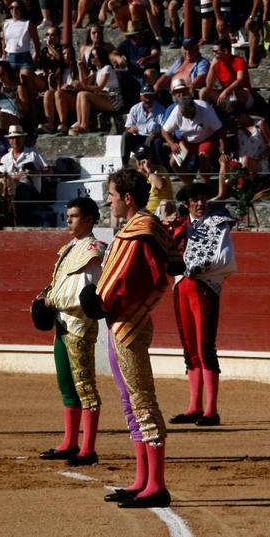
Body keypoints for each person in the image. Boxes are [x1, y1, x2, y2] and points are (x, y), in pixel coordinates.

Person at [79, 169, 182, 508]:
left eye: (111, 194)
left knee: (142, 401)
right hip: (118, 322)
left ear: (127, 197)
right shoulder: (133, 229)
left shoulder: (141, 229)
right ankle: (143, 479)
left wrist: (102, 298)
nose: (108, 200)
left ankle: (157, 485)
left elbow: (140, 275)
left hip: (129, 322)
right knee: (130, 403)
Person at [33, 197, 106, 466]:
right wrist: (45, 297)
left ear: (88, 219)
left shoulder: (94, 250)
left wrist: (52, 301)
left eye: (74, 216)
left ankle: (88, 449)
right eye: (68, 216)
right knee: (66, 385)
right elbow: (60, 286)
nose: (69, 220)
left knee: (85, 386)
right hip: (62, 324)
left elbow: (86, 293)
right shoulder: (69, 249)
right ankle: (70, 442)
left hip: (79, 325)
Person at [166, 182, 237, 427]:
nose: (199, 203)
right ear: (186, 204)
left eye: (203, 199)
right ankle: (194, 406)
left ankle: (211, 410)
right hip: (181, 287)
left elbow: (226, 260)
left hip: (204, 287)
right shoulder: (179, 227)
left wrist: (200, 269)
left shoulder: (219, 224)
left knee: (205, 346)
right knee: (190, 347)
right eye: (194, 200)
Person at [163, 77, 222, 179]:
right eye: (177, 92)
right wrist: (172, 144)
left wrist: (223, 150)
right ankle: (189, 185)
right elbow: (164, 131)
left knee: (203, 157)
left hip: (206, 138)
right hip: (187, 140)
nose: (180, 95)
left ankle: (206, 186)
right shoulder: (175, 109)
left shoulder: (205, 107)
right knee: (173, 162)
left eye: (183, 91)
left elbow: (220, 130)